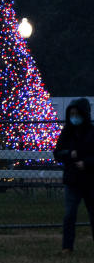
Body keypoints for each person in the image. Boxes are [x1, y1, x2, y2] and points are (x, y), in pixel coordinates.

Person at [54, 97, 94, 253]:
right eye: (72, 114)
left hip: (90, 180)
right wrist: (70, 154)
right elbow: (57, 153)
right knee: (69, 215)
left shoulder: (92, 133)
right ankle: (67, 247)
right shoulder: (67, 132)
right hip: (72, 180)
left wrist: (87, 163)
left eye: (77, 113)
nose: (74, 117)